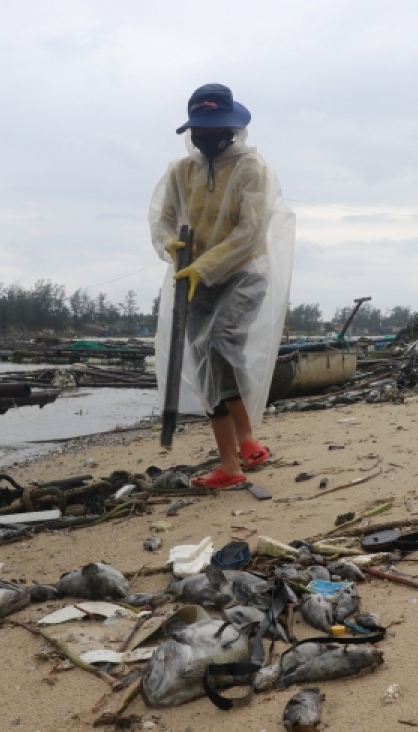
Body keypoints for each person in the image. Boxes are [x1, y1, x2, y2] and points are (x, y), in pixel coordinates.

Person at [150, 84, 295, 489]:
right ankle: (232, 462)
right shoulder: (181, 173)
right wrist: (169, 244)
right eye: (201, 130)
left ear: (232, 130)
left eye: (216, 130)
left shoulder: (252, 169)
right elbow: (162, 220)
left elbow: (251, 232)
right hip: (193, 279)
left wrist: (207, 265)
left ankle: (246, 441)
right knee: (203, 358)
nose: (208, 138)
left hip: (243, 272)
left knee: (220, 340)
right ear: (191, 131)